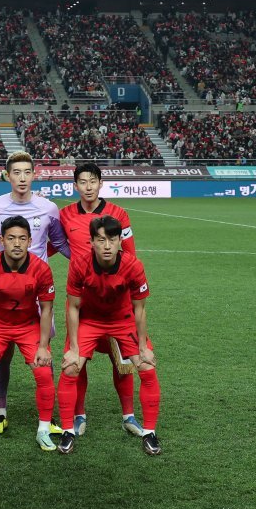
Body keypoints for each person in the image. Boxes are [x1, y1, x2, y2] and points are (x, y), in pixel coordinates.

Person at [0, 151, 70, 435]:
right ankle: (0, 412)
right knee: (0, 355)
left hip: (37, 292)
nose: (22, 178)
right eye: (17, 172)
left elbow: (61, 243)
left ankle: (48, 418)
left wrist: (86, 264)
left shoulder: (49, 208)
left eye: (27, 172)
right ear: (7, 176)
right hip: (3, 291)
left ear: (34, 174)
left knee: (44, 353)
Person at [58, 215, 162, 456]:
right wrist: (73, 347)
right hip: (89, 320)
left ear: (119, 241)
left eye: (112, 240)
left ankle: (150, 433)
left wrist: (144, 346)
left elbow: (140, 308)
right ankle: (67, 431)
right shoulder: (79, 264)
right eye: (100, 240)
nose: (106, 246)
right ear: (91, 242)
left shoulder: (133, 265)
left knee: (146, 366)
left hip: (122, 320)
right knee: (71, 367)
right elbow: (72, 306)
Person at [57, 161, 145, 439]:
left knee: (124, 361)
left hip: (116, 300)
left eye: (93, 181)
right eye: (82, 182)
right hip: (84, 300)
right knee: (76, 360)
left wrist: (130, 298)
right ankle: (79, 414)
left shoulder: (119, 213)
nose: (88, 187)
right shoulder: (65, 215)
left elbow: (130, 254)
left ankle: (128, 415)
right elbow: (52, 245)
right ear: (76, 186)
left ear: (100, 183)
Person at [0, 216, 56, 452]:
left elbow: (47, 309)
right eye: (11, 238)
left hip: (28, 325)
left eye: (22, 239)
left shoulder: (41, 269)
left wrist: (43, 346)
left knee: (44, 372)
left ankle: (44, 429)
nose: (17, 243)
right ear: (1, 240)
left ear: (29, 241)